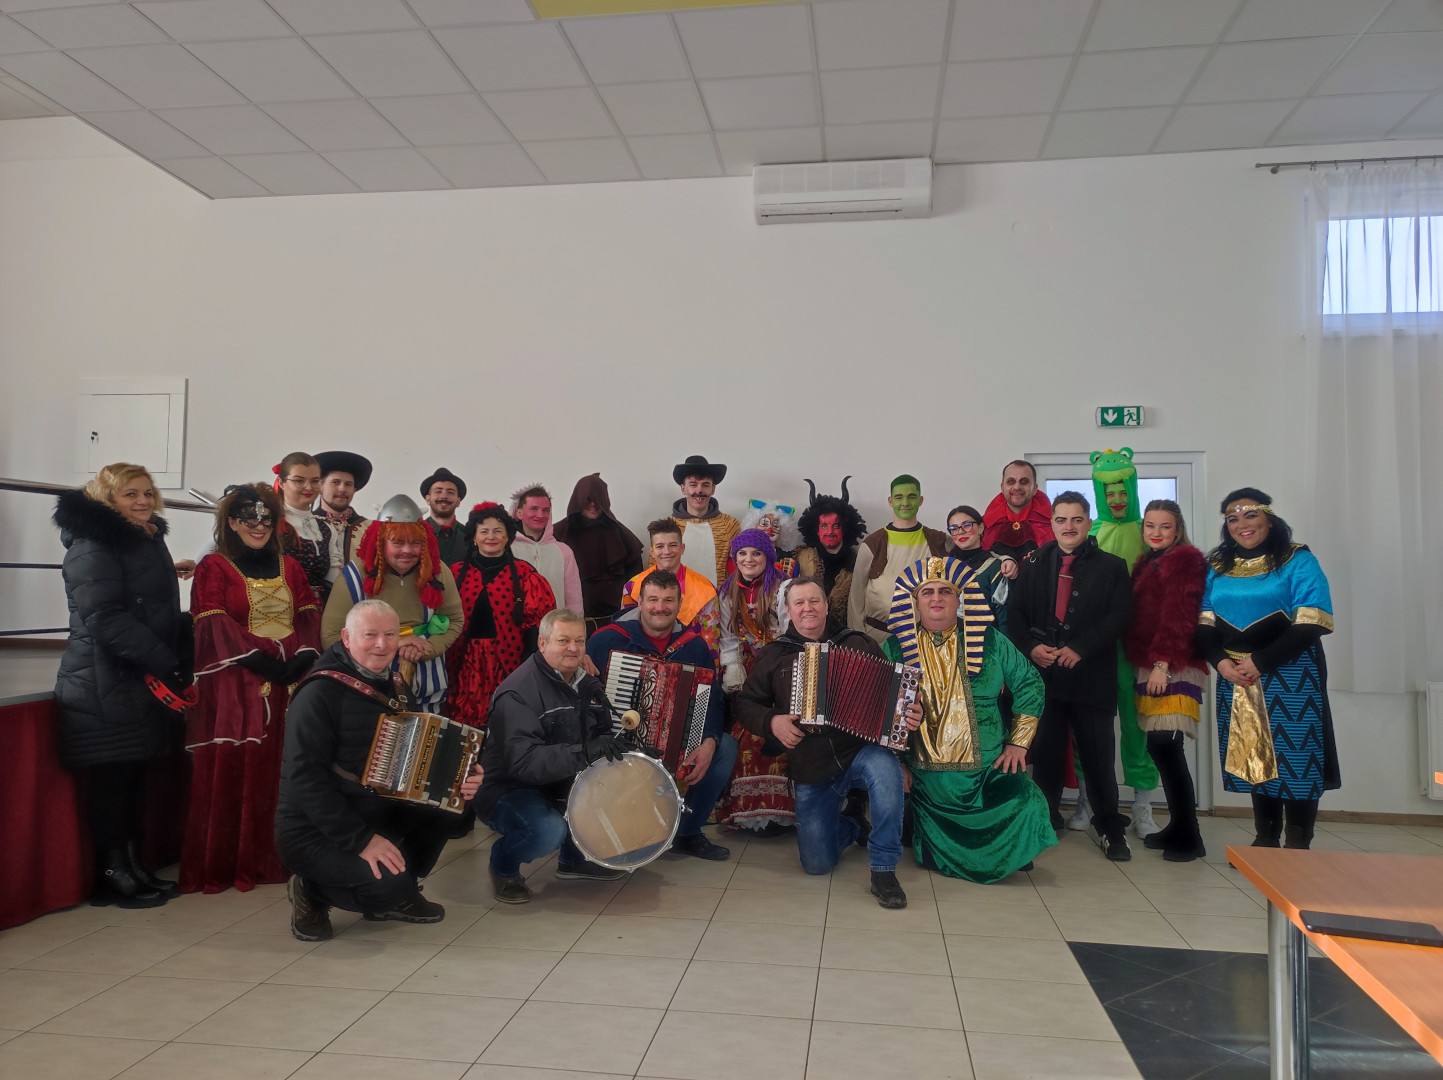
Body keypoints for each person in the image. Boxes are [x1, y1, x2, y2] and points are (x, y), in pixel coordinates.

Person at [277, 600, 484, 941]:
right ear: (346, 638)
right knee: (387, 885)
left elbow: (419, 758)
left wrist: (463, 776)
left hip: (374, 810)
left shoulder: (396, 684)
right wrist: (361, 840)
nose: (382, 644)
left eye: (390, 634)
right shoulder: (318, 693)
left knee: (452, 806)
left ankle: (401, 887)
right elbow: (304, 779)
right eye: (370, 635)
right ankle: (310, 889)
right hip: (312, 829)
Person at [733, 577, 923, 908]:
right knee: (817, 864)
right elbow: (745, 704)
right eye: (799, 603)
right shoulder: (775, 654)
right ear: (788, 610)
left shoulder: (858, 643)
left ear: (825, 606)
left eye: (814, 601)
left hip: (860, 751)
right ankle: (852, 822)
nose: (807, 608)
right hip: (812, 764)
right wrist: (773, 722)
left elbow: (897, 697)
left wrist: (913, 712)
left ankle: (884, 870)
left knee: (886, 770)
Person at [53, 463, 193, 908]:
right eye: (130, 494)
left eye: (147, 493)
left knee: (133, 779)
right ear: (106, 498)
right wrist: (165, 660)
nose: (143, 501)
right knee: (113, 782)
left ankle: (132, 865)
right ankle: (111, 874)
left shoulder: (146, 538)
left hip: (134, 677)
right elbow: (104, 617)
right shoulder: (92, 543)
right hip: (101, 681)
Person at [184, 483, 321, 893]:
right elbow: (211, 621)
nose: (258, 526)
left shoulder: (290, 568)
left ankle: (281, 856)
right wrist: (258, 661)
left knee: (286, 768)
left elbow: (308, 615)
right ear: (230, 522)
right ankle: (233, 861)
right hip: (236, 684)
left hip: (289, 684)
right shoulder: (213, 567)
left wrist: (301, 658)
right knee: (238, 767)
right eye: (248, 518)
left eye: (266, 518)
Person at [883, 556, 1055, 883]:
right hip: (928, 781)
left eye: (945, 591)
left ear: (959, 598)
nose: (936, 598)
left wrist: (1018, 743)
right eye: (928, 592)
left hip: (988, 772)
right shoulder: (894, 647)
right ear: (915, 601)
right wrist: (896, 763)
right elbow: (877, 709)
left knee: (1030, 800)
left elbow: (1030, 683)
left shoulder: (991, 640)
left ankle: (1007, 848)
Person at [1197, 489, 1338, 850]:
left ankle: (1298, 845)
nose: (1241, 524)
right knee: (1253, 755)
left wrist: (1260, 662)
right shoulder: (1217, 565)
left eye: (1250, 515)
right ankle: (1265, 839)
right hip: (1235, 676)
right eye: (1232, 518)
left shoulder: (1297, 560)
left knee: (1296, 758)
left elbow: (1312, 621)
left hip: (1291, 673)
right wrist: (1221, 663)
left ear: (1269, 519)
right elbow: (1204, 623)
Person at [1008, 491, 1134, 861]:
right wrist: (1032, 647)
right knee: (1046, 753)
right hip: (1045, 677)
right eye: (1061, 519)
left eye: (1076, 519)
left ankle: (1110, 828)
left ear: (1088, 522)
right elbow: (1015, 614)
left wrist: (1080, 647)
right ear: (1051, 523)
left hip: (1091, 677)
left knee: (1098, 757)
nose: (1069, 526)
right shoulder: (1033, 563)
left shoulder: (1113, 566)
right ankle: (1044, 820)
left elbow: (1120, 616)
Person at [476, 608, 632, 904]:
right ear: (542, 643)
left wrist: (629, 752)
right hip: (508, 788)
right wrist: (585, 752)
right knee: (547, 830)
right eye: (563, 641)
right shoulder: (517, 692)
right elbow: (524, 764)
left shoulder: (585, 682)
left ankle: (573, 860)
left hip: (559, 781)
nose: (573, 648)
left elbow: (600, 734)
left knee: (618, 791)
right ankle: (503, 866)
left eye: (579, 641)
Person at [585, 569, 738, 860]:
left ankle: (688, 832)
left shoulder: (694, 646)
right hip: (618, 743)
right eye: (653, 599)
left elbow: (712, 700)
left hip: (676, 742)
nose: (660, 607)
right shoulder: (607, 639)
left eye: (668, 600)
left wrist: (709, 742)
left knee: (726, 747)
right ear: (640, 603)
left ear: (679, 605)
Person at [320, 495, 463, 713]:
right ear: (381, 542)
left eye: (415, 543)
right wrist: (395, 643)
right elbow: (331, 637)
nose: (407, 550)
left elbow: (454, 619)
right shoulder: (354, 576)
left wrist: (428, 648)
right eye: (398, 543)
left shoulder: (438, 571)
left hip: (426, 689)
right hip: (367, 691)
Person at [1124, 500, 1208, 862]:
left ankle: (1190, 836)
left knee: (1167, 747)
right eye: (1150, 526)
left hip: (1173, 663)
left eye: (1165, 526)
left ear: (1178, 529)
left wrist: (1162, 664)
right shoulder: (1147, 562)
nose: (1156, 532)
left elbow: (1181, 616)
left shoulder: (1185, 561)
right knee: (1159, 748)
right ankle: (1177, 825)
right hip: (1150, 664)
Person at [1088, 448, 1160, 837]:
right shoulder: (1091, 533)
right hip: (1096, 647)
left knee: (1137, 724)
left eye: (1122, 491)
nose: (1116, 499)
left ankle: (1143, 804)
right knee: (1091, 726)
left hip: (1136, 647)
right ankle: (1087, 801)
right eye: (1109, 493)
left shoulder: (1148, 533)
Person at [446, 502, 555, 728]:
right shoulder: (454, 573)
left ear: (508, 537)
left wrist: (528, 665)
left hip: (508, 662)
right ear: (474, 537)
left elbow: (537, 626)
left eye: (498, 531)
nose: (491, 537)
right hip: (462, 664)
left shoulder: (525, 574)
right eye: (484, 531)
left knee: (506, 721)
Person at [714, 530, 794, 835]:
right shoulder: (727, 592)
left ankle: (782, 809)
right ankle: (747, 810)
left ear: (768, 557)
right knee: (746, 730)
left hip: (780, 666)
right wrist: (734, 671)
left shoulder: (783, 588)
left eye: (756, 553)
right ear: (735, 558)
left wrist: (776, 671)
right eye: (743, 554)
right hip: (748, 669)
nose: (749, 559)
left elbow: (789, 634)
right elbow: (729, 638)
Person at [849, 474, 950, 643]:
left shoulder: (939, 542)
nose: (905, 503)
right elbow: (856, 595)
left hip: (925, 639)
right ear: (890, 501)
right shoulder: (873, 544)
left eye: (911, 496)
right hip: (877, 638)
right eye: (898, 497)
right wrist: (858, 638)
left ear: (920, 500)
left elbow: (972, 549)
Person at [553, 473, 644, 635]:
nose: (593, 504)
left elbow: (635, 584)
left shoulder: (622, 535)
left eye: (597, 499)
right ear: (578, 499)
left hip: (616, 624)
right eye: (588, 499)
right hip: (569, 625)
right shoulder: (558, 534)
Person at [621, 519, 719, 635]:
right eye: (660, 546)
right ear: (652, 551)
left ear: (682, 548)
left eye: (673, 545)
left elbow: (711, 640)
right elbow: (626, 633)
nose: (667, 551)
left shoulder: (706, 589)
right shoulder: (632, 587)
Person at [794, 477, 867, 623]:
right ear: (816, 530)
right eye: (824, 526)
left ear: (844, 528)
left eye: (836, 526)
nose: (830, 532)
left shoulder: (859, 562)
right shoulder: (800, 558)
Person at [509, 484, 583, 614]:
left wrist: (576, 623)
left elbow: (573, 598)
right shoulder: (508, 549)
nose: (540, 515)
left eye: (545, 510)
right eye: (534, 509)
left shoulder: (564, 552)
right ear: (519, 513)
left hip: (555, 624)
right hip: (516, 624)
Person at [669, 454, 740, 588]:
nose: (699, 490)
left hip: (716, 598)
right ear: (683, 488)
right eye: (693, 484)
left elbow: (739, 567)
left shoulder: (730, 525)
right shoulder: (668, 526)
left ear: (713, 489)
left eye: (705, 485)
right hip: (677, 598)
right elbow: (656, 569)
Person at [272, 451, 331, 598]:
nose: (309, 487)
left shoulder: (326, 528)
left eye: (315, 481)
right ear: (281, 483)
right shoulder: (270, 523)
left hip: (319, 607)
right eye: (299, 481)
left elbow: (333, 577)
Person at [945, 504, 1014, 629]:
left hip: (985, 639)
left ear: (981, 528)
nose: (960, 531)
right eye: (954, 528)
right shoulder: (943, 567)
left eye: (967, 525)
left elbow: (1004, 619)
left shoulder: (995, 568)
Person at [313, 450, 372, 591]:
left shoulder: (370, 529)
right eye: (335, 482)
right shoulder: (306, 526)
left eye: (348, 484)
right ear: (320, 487)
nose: (342, 489)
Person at [982, 460, 1053, 568]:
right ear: (1002, 487)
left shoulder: (1054, 524)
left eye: (1024, 482)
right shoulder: (982, 526)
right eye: (1011, 481)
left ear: (1035, 489)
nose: (1017, 487)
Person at [738, 498, 802, 577]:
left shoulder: (790, 563)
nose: (770, 528)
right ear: (753, 527)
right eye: (764, 524)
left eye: (775, 525)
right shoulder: (742, 558)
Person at [420, 467, 468, 568]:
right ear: (428, 499)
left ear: (458, 501)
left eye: (450, 492)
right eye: (438, 491)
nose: (444, 496)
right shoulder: (417, 532)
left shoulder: (469, 535)